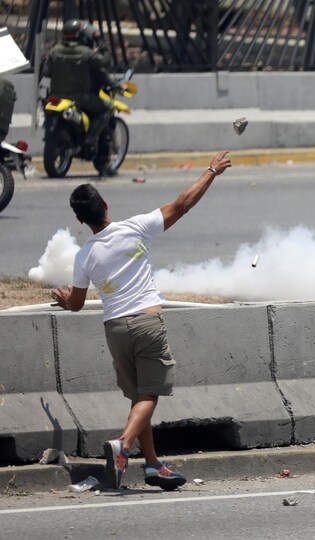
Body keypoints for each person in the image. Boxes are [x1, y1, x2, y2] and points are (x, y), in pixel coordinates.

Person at [50, 150, 233, 490]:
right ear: (104, 204)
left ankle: (152, 466)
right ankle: (124, 446)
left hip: (115, 329)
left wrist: (63, 300)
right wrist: (211, 171)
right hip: (147, 324)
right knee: (151, 394)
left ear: (81, 221)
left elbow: (76, 304)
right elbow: (182, 204)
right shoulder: (135, 227)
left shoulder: (85, 254)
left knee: (138, 398)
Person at [47, 19, 124, 152]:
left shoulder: (54, 51)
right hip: (81, 99)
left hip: (56, 97)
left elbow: (46, 71)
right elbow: (106, 62)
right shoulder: (87, 54)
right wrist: (100, 42)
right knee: (108, 108)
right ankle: (90, 137)